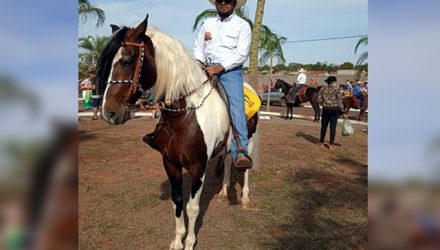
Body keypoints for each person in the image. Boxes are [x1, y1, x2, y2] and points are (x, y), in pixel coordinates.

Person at [194, 0, 252, 169]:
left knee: (236, 105)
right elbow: (198, 47)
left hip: (229, 72)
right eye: (220, 0)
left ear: (234, 4)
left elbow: (241, 54)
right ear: (216, 4)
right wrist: (200, 63)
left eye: (228, 0)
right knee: (182, 92)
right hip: (204, 68)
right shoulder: (207, 23)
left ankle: (240, 150)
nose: (224, 3)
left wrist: (220, 67)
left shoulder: (242, 25)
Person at [316, 76, 346, 150]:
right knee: (333, 128)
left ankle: (321, 142)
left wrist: (324, 103)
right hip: (334, 109)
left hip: (326, 109)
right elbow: (339, 101)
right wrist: (343, 111)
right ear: (334, 82)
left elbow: (319, 100)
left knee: (324, 126)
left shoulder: (322, 89)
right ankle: (331, 145)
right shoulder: (337, 89)